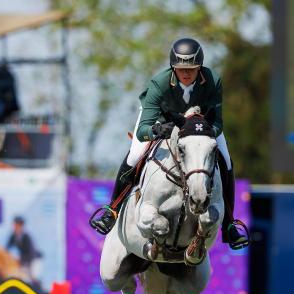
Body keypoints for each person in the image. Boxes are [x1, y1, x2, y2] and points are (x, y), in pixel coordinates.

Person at [89, 38, 249, 249]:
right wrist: (156, 131)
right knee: (135, 155)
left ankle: (229, 223)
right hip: (161, 121)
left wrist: (205, 132)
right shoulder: (160, 83)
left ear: (199, 67)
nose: (186, 73)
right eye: (181, 69)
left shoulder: (213, 80)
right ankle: (112, 210)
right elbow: (143, 130)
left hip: (200, 127)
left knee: (226, 161)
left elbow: (217, 122)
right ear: (173, 67)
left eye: (191, 69)